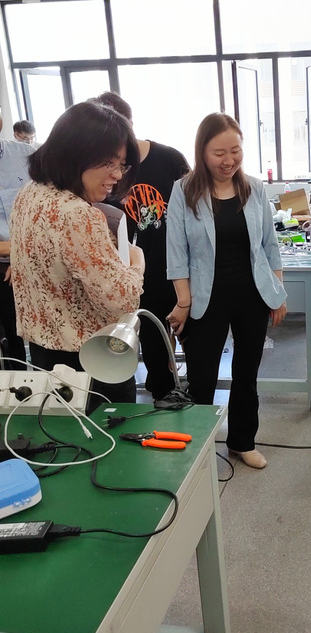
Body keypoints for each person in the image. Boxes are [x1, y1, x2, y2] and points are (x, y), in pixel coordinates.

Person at [166, 113, 287, 470]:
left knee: (247, 375)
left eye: (235, 150)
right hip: (206, 299)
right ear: (202, 152)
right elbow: (177, 253)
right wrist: (183, 301)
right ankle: (200, 450)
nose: (228, 160)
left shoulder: (254, 188)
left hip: (252, 295)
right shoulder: (184, 190)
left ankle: (242, 442)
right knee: (201, 379)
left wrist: (277, 293)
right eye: (219, 153)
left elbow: (270, 246)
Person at [10, 101, 144, 408]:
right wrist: (137, 262)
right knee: (110, 433)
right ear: (76, 153)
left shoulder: (29, 194)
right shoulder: (78, 215)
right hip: (94, 360)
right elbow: (122, 299)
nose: (117, 175)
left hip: (44, 353)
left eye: (122, 165)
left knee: (63, 430)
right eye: (109, 163)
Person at [94, 92, 189, 401]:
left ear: (130, 123)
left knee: (195, 341)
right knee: (153, 344)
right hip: (138, 276)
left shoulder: (169, 159)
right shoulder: (104, 171)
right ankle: (162, 395)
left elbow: (197, 207)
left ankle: (197, 395)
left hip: (180, 269)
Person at [0, 138, 31, 368]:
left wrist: (20, 254)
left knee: (17, 336)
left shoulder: (27, 155)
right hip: (12, 257)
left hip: (22, 265)